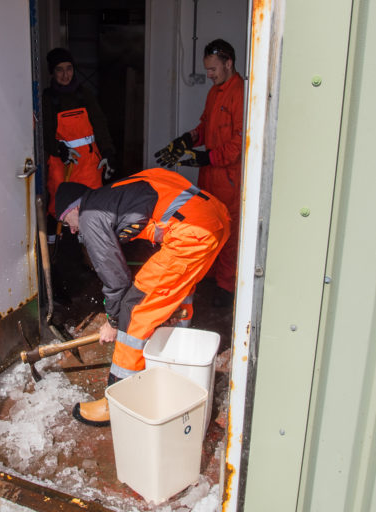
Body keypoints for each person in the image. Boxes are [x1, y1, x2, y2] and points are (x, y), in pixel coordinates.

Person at [54, 168, 230, 426]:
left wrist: (113, 322)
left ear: (74, 208)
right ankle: (172, 365)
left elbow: (116, 281)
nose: (70, 230)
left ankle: (119, 401)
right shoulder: (118, 192)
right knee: (176, 295)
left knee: (134, 308)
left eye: (65, 220)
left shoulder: (91, 216)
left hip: (191, 234)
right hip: (215, 218)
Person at [154, 38, 244, 308]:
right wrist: (185, 141)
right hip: (210, 176)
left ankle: (225, 289)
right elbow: (205, 127)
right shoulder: (215, 92)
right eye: (207, 70)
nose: (209, 75)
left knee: (228, 232)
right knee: (209, 227)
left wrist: (207, 157)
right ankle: (209, 278)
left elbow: (240, 143)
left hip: (229, 178)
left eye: (213, 69)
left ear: (228, 63)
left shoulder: (240, 93)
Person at [42, 47, 117, 223]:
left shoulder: (84, 94)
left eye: (69, 68)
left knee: (91, 206)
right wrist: (59, 149)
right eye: (59, 69)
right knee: (58, 208)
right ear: (52, 72)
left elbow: (100, 125)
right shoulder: (48, 98)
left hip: (88, 163)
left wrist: (108, 152)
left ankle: (87, 244)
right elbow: (44, 133)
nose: (65, 74)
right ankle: (57, 245)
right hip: (62, 164)